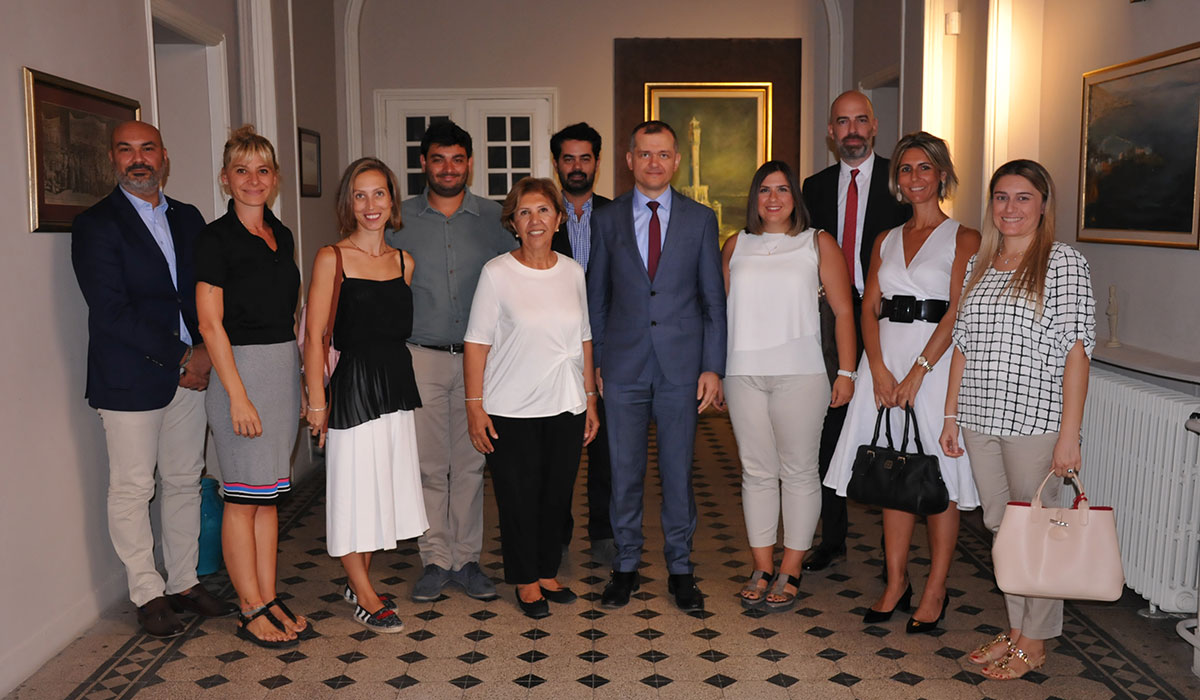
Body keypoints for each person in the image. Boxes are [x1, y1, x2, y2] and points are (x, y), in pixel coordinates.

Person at [71, 121, 237, 639]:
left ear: (164, 157)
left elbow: (208, 290)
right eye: (126, 150)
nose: (137, 158)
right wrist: (185, 356)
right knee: (133, 488)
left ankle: (185, 582)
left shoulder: (189, 217)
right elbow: (110, 311)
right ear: (112, 159)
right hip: (130, 379)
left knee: (186, 480)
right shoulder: (95, 224)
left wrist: (206, 351)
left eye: (147, 149)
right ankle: (147, 592)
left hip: (191, 376)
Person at [939, 159, 1095, 679]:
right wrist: (951, 414)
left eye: (1023, 197)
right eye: (1002, 197)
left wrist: (1069, 435)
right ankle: (1017, 626)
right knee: (1002, 530)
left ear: (1043, 204)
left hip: (1036, 422)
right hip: (981, 419)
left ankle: (1036, 640)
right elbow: (962, 344)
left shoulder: (1062, 263)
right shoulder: (979, 263)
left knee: (1037, 531)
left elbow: (1077, 353)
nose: (1011, 208)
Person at [823, 132, 981, 633]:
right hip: (885, 363)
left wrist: (918, 372)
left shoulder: (965, 238)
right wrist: (877, 367)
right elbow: (868, 306)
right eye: (906, 169)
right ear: (897, 179)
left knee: (937, 477)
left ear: (942, 175)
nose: (914, 177)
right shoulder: (885, 239)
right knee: (892, 472)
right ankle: (895, 582)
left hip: (935, 366)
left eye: (924, 168)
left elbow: (957, 313)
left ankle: (936, 588)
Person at [588, 120, 726, 612]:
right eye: (645, 154)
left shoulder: (700, 220)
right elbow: (597, 298)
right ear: (629, 159)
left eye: (663, 154)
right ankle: (625, 565)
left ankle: (681, 568)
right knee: (623, 472)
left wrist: (712, 366)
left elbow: (713, 300)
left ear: (676, 161)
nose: (654, 163)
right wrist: (596, 362)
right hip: (622, 366)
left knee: (678, 472)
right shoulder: (606, 219)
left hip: (681, 367)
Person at [386, 121, 517, 603]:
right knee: (428, 465)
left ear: (469, 163)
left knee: (470, 464)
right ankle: (435, 559)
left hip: (481, 361)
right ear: (423, 163)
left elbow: (517, 282)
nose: (448, 169)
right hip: (421, 357)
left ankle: (466, 559)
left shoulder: (495, 218)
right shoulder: (398, 220)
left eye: (457, 159)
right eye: (438, 159)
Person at [720, 161, 857, 613]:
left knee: (798, 472)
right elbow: (722, 312)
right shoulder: (735, 245)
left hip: (801, 373)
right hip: (743, 373)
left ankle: (791, 567)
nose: (773, 198)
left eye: (782, 189)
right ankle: (761, 567)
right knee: (756, 472)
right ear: (754, 198)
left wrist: (847, 372)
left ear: (794, 197)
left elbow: (843, 311)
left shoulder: (817, 242)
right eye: (764, 190)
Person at [463, 177, 600, 619]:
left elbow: (584, 339)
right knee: (518, 498)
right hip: (511, 407)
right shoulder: (497, 273)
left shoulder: (572, 271)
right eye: (524, 212)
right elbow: (476, 343)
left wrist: (590, 399)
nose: (535, 220)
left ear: (559, 220)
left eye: (543, 210)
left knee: (557, 495)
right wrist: (474, 406)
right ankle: (525, 579)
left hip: (566, 404)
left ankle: (545, 571)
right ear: (513, 223)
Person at [303, 158, 428, 633]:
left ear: (392, 201)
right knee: (353, 493)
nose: (370, 205)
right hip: (353, 389)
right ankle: (365, 593)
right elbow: (315, 335)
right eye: (360, 195)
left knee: (382, 492)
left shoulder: (404, 262)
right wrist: (317, 402)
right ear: (348, 203)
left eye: (379, 194)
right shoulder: (331, 258)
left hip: (395, 388)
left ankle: (360, 583)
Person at [195, 125, 307, 648]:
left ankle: (267, 595)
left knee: (267, 498)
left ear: (275, 178)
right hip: (238, 374)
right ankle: (249, 608)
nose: (253, 179)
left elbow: (288, 316)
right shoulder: (214, 239)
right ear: (225, 178)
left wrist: (299, 379)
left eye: (262, 170)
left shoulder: (281, 234)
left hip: (280, 371)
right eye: (242, 170)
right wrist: (237, 395)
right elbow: (210, 324)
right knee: (242, 498)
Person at [801, 91, 912, 572]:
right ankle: (833, 539)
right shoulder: (814, 187)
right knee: (830, 432)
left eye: (860, 121)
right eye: (842, 122)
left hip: (890, 324)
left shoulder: (900, 181)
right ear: (831, 131)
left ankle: (896, 551)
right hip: (830, 326)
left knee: (892, 433)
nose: (852, 131)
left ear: (875, 126)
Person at [549, 122, 614, 562]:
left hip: (606, 351)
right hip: (552, 353)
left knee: (607, 449)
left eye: (584, 158)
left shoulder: (617, 215)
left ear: (597, 162)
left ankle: (604, 532)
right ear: (556, 163)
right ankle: (556, 533)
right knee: (557, 450)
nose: (576, 166)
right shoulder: (539, 216)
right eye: (568, 158)